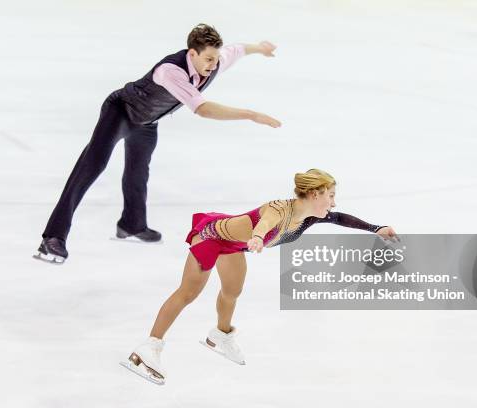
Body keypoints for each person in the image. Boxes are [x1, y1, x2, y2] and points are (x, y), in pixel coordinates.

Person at [123, 169, 399, 384]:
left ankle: (219, 336)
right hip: (210, 236)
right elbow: (266, 222)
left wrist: (376, 228)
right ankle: (148, 348)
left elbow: (338, 219)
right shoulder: (280, 208)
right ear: (315, 194)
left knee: (232, 291)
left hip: (233, 244)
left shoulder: (308, 216)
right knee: (188, 293)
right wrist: (256, 237)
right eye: (331, 195)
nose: (333, 202)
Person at [35, 23, 281, 264]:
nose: (213, 64)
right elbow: (203, 109)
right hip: (120, 112)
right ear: (192, 53)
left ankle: (131, 225)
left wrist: (259, 47)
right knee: (92, 166)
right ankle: (53, 237)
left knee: (138, 171)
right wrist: (251, 114)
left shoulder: (214, 59)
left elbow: (237, 50)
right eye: (208, 59)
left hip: (148, 122)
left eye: (215, 58)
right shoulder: (170, 71)